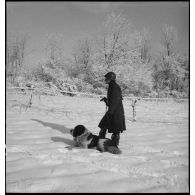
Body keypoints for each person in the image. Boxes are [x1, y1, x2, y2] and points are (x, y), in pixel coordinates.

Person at [98, 72, 126, 146]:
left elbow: (116, 100)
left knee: (116, 129)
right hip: (113, 110)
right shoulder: (112, 86)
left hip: (116, 112)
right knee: (103, 125)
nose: (105, 79)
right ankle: (100, 141)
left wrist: (110, 112)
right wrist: (106, 100)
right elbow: (112, 101)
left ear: (110, 79)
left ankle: (114, 145)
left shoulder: (115, 87)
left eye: (106, 78)